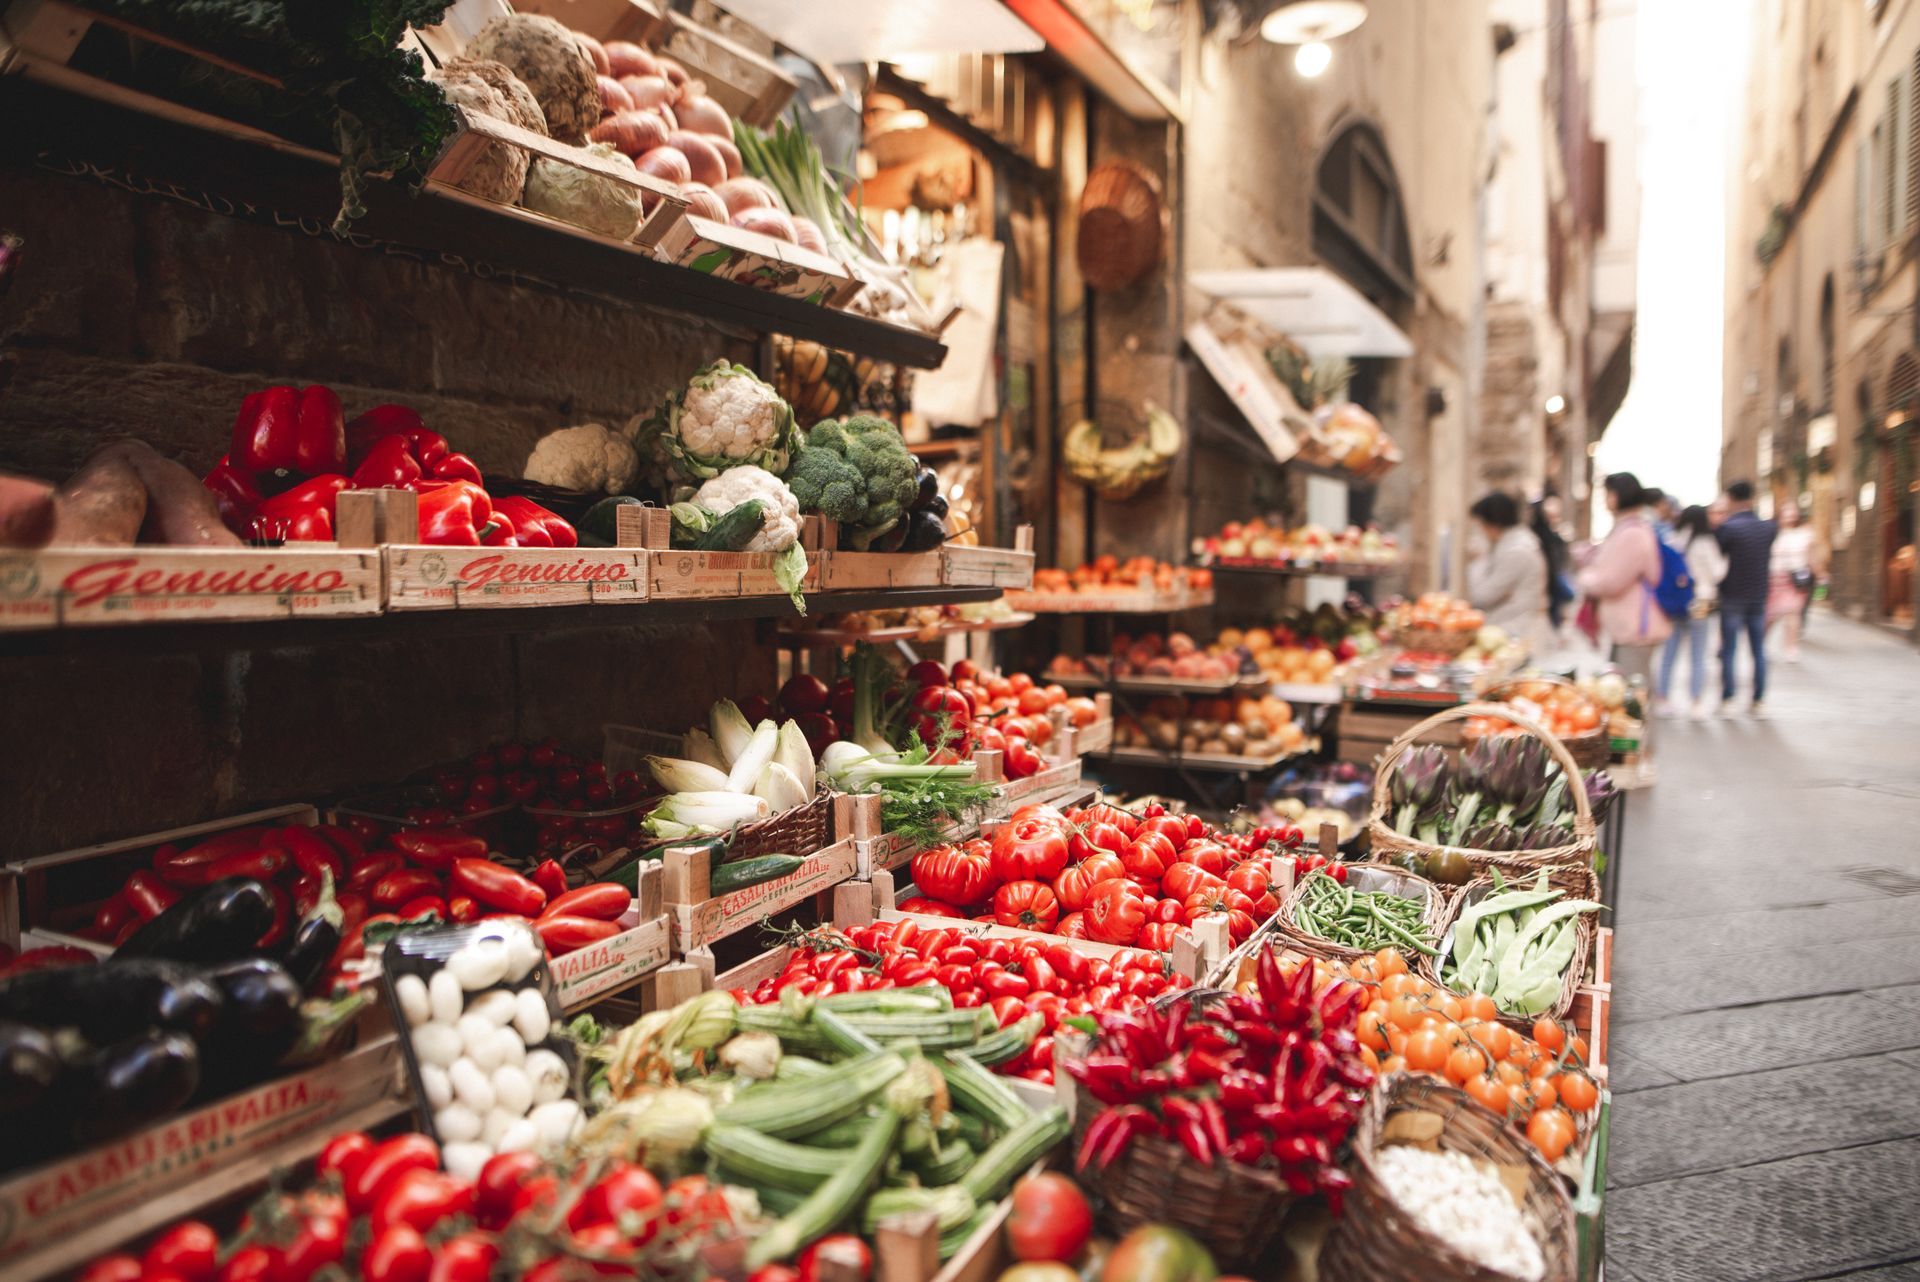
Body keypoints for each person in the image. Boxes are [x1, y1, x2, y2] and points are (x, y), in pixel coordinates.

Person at [1576, 472, 1673, 744]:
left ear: (1617, 496)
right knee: (1634, 692)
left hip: (1635, 628)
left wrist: (1585, 578)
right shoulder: (1629, 529)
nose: (1605, 499)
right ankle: (1640, 753)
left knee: (1633, 698)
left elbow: (1611, 581)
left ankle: (1640, 754)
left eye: (1607, 493)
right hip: (1629, 627)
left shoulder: (1632, 534)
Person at [1656, 505, 1727, 719]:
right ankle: (1695, 701)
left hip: (1676, 603)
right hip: (1700, 603)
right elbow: (1717, 572)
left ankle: (1662, 699)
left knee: (1669, 653)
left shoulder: (1673, 539)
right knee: (1698, 654)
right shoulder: (1705, 542)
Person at [1715, 479, 1776, 716]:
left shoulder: (1728, 528)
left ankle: (1728, 698)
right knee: (1758, 650)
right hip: (1759, 596)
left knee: (1729, 650)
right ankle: (1758, 700)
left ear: (1730, 499)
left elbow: (1718, 558)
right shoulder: (1768, 528)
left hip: (1732, 596)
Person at [1465, 492, 1550, 648]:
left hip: (1516, 631)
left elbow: (1481, 596)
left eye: (1480, 525)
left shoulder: (1516, 551)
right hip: (1514, 629)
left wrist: (1478, 559)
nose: (1480, 531)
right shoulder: (1515, 544)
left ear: (1493, 524)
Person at [1768, 501, 1818, 662]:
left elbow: (1811, 556)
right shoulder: (1772, 532)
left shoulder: (1805, 534)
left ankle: (1791, 648)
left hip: (1795, 579)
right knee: (1771, 615)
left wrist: (1820, 573)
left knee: (1793, 613)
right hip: (1775, 578)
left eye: (1792, 511)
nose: (1790, 515)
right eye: (1786, 511)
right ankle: (1761, 643)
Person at [1533, 496, 1574, 632]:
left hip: (1554, 576)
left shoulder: (1550, 532)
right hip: (1550, 578)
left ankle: (1556, 630)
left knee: (1556, 608)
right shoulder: (1541, 533)